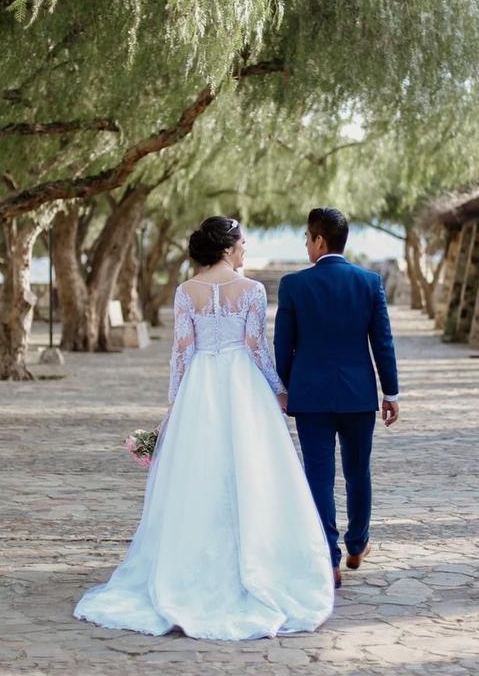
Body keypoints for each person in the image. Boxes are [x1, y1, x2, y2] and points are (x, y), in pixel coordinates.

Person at [74, 217, 334, 640]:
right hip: (241, 387)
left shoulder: (185, 291)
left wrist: (175, 405)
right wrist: (279, 392)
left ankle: (187, 566)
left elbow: (181, 353)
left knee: (197, 474)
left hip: (200, 386)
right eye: (243, 242)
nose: (246, 248)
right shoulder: (251, 291)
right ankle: (257, 562)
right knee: (252, 472)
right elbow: (257, 350)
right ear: (229, 247)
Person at [274, 207, 399, 589]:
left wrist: (285, 387)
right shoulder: (369, 282)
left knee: (319, 479)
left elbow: (283, 345)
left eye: (307, 239)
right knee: (358, 472)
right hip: (359, 395)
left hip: (310, 398)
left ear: (319, 241)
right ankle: (357, 545)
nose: (306, 246)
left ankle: (329, 561)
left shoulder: (294, 285)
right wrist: (390, 391)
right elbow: (382, 341)